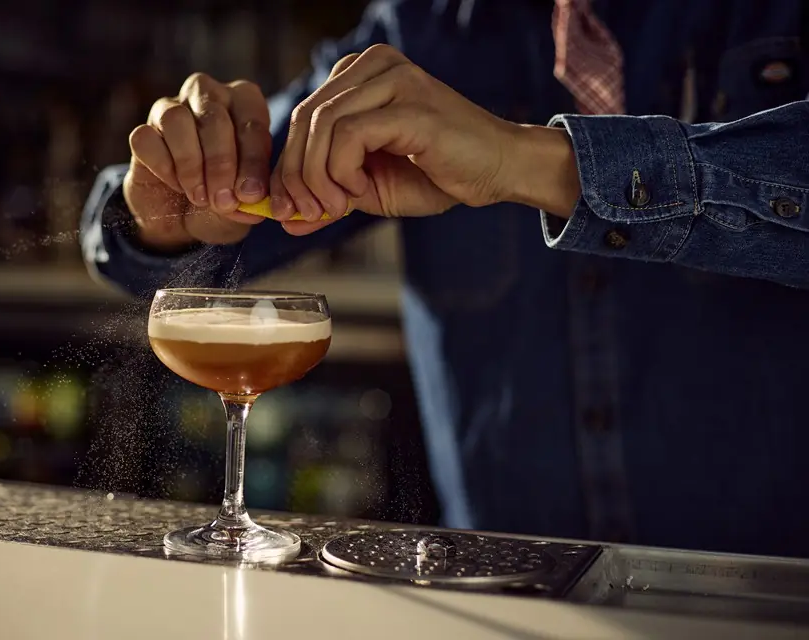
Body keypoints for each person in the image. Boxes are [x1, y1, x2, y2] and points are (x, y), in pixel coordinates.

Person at [81, 0, 809, 557]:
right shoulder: (420, 30)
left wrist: (523, 160)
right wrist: (173, 203)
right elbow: (178, 240)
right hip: (498, 590)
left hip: (764, 594)